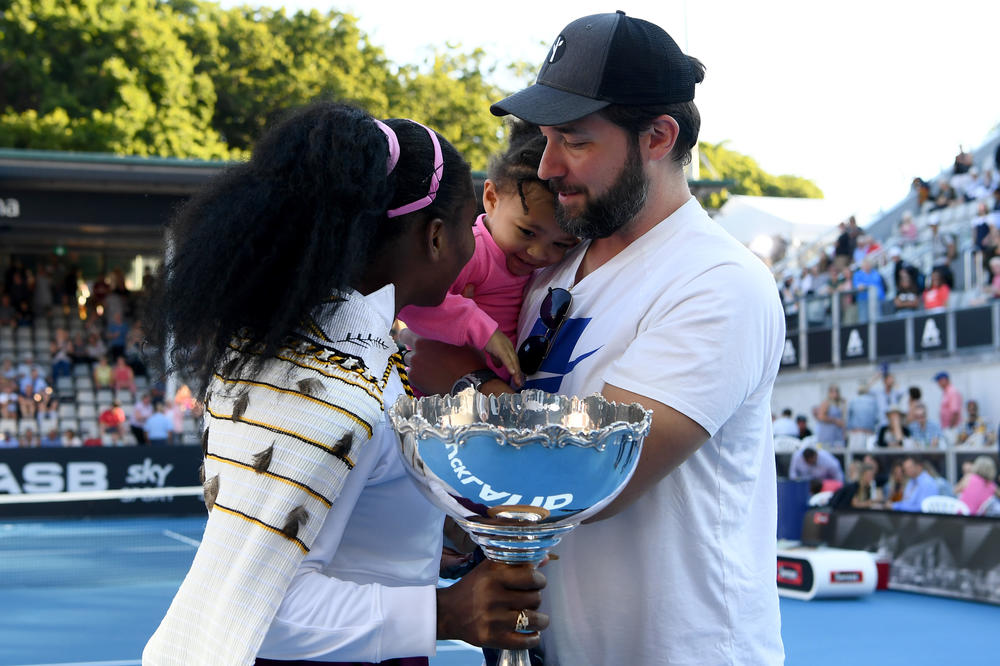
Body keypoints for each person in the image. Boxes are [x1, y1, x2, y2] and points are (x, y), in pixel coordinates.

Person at [412, 13, 785, 663]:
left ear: (658, 137)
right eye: (547, 139)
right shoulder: (546, 264)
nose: (549, 166)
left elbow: (600, 474)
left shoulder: (717, 282)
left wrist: (455, 454)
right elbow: (431, 353)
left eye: (576, 141)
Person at [142, 101, 546, 665]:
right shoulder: (334, 386)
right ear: (433, 237)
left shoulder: (317, 349)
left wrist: (445, 539)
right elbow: (262, 610)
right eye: (463, 229)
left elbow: (354, 524)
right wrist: (447, 613)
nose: (472, 247)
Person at [398, 120, 578, 386]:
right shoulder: (472, 251)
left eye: (561, 244)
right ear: (492, 198)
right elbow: (409, 299)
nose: (539, 253)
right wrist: (479, 327)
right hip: (439, 394)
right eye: (527, 232)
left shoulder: (535, 268)